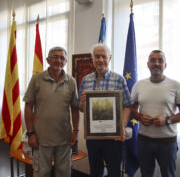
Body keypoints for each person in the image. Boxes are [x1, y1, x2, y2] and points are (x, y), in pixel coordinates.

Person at [23, 46, 79, 177]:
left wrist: (76, 131)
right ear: (48, 60)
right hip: (41, 140)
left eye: (62, 58)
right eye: (55, 57)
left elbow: (75, 108)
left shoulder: (71, 81)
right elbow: (28, 106)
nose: (58, 60)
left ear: (65, 62)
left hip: (64, 140)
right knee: (41, 174)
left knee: (64, 174)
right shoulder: (37, 79)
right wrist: (30, 133)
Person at [79, 43, 132, 177]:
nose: (100, 59)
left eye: (104, 56)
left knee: (114, 172)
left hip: (114, 137)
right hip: (93, 137)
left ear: (110, 58)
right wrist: (84, 101)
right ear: (93, 58)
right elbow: (81, 108)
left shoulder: (119, 79)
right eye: (97, 56)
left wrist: (122, 126)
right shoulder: (86, 80)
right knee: (95, 171)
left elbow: (128, 105)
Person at [131, 50, 180, 177]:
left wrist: (167, 120)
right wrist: (140, 117)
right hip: (144, 141)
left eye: (160, 60)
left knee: (168, 174)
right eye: (153, 60)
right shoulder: (138, 85)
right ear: (148, 64)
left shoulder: (175, 85)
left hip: (168, 142)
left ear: (165, 65)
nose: (156, 63)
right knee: (146, 174)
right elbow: (132, 110)